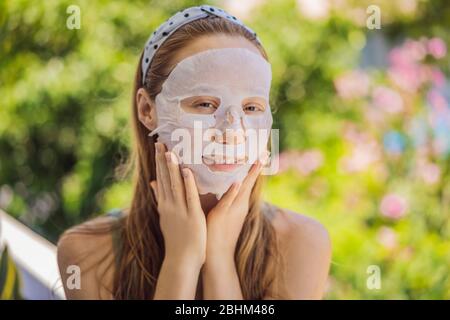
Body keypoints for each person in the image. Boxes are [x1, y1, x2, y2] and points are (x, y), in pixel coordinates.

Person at [57, 5, 331, 300]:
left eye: (251, 108)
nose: (232, 132)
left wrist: (219, 258)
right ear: (148, 110)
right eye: (204, 104)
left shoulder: (301, 243)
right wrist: (182, 260)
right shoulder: (88, 254)